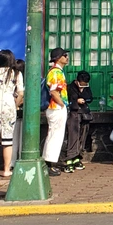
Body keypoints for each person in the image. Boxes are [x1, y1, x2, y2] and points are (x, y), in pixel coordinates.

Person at [43, 47, 70, 176]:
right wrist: (62, 104)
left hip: (56, 107)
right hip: (56, 108)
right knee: (55, 136)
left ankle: (49, 162)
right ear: (59, 58)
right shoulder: (56, 73)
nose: (67, 57)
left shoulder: (56, 71)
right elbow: (54, 91)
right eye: (65, 55)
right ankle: (49, 164)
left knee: (54, 135)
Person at [63, 71, 93, 172]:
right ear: (77, 81)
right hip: (74, 113)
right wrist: (76, 101)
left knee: (82, 135)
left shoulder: (86, 87)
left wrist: (83, 96)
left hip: (84, 114)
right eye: (81, 83)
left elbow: (90, 97)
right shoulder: (70, 87)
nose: (83, 86)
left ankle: (77, 157)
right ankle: (70, 158)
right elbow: (68, 99)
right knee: (73, 135)